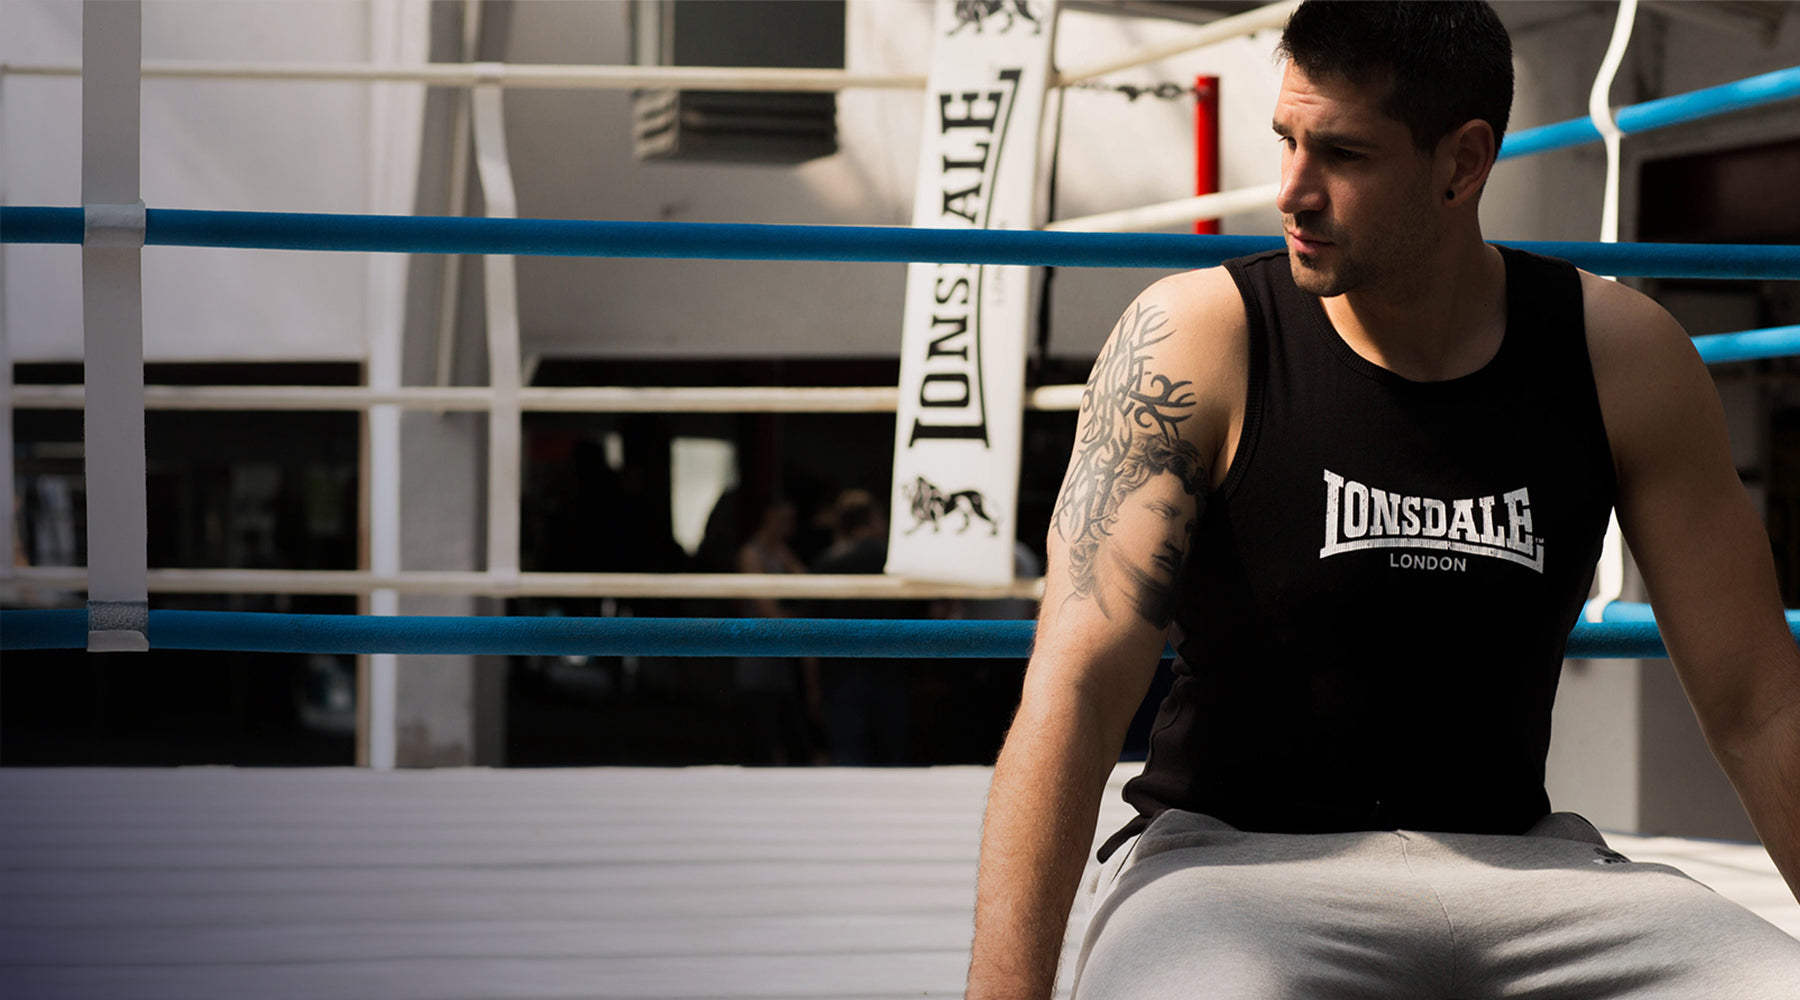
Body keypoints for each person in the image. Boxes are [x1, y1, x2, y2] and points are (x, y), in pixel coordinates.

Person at [966, 3, 1800, 997]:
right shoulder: (1198, 341)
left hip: (1531, 873)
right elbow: (1076, 686)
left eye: (1343, 154)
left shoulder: (1619, 354)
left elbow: (1760, 704)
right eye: (1286, 140)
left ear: (1462, 163)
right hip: (1231, 870)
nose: (1292, 190)